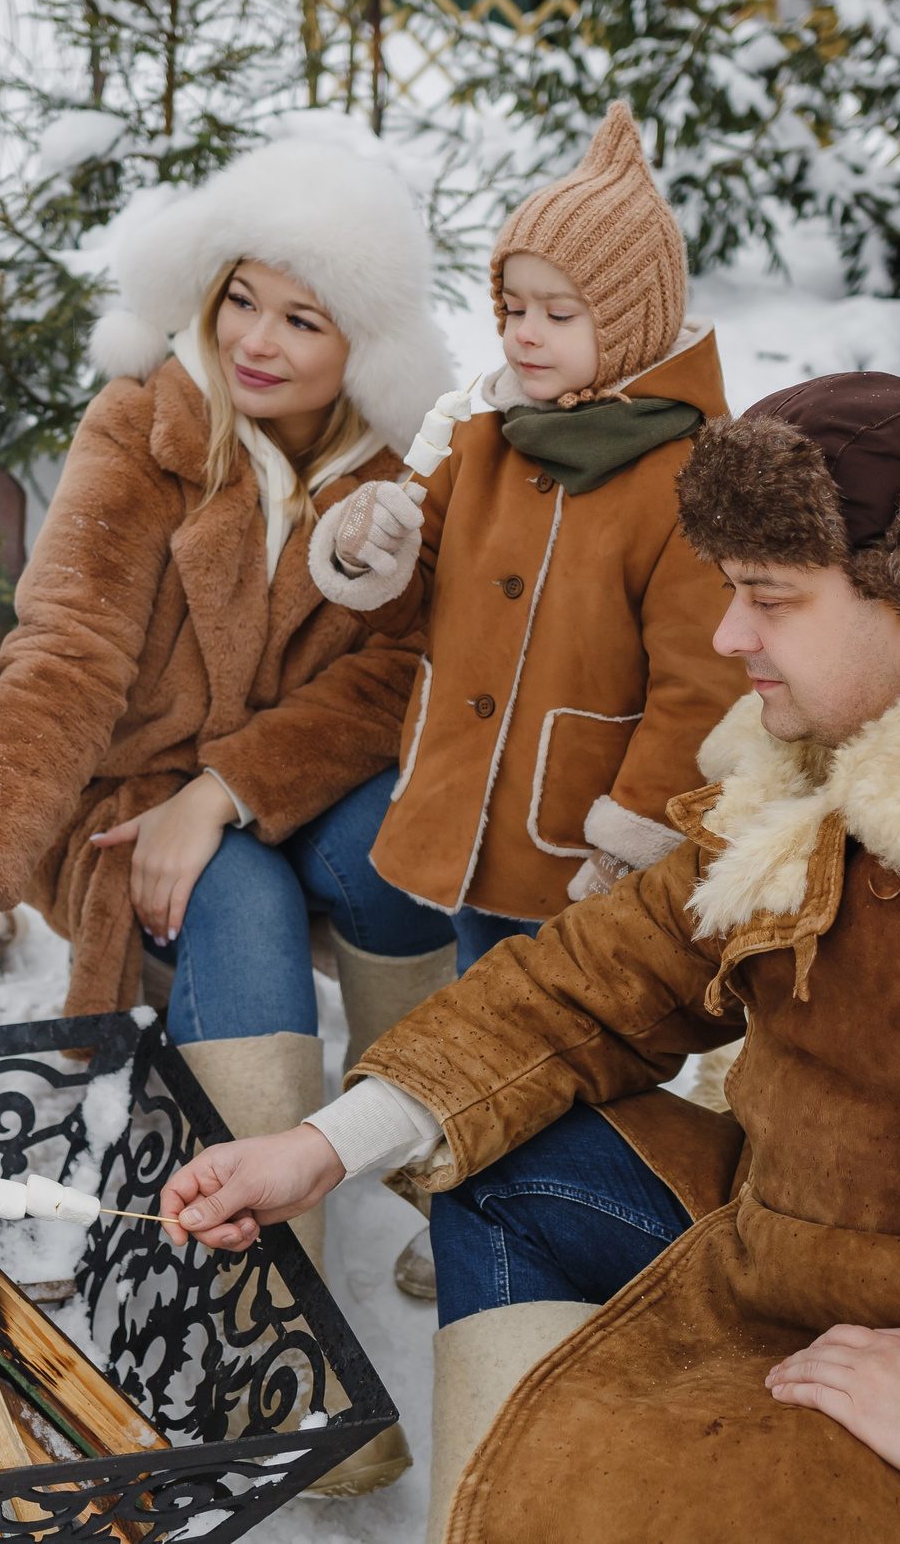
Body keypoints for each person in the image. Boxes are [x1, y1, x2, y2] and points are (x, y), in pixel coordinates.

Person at [157, 373, 900, 1543]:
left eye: (772, 596)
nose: (729, 632)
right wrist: (324, 1146)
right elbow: (598, 979)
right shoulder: (819, 761)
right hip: (821, 1248)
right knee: (504, 1163)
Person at [0, 137, 458, 1495]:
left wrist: (227, 786)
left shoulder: (403, 476)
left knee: (396, 842)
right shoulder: (148, 427)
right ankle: (283, 1330)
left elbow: (394, 676)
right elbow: (64, 653)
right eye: (242, 296)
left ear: (358, 338)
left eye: (304, 318)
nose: (256, 339)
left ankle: (425, 1123)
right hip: (130, 800)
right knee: (226, 896)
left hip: (276, 784)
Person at [308, 99, 748, 1296]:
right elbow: (415, 591)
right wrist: (370, 543)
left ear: (637, 318)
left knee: (569, 1041)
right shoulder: (489, 435)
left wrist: (634, 836)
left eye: (563, 312)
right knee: (480, 1003)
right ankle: (469, 1186)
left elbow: (703, 685)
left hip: (579, 834)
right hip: (470, 813)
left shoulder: (688, 473)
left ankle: (545, 1203)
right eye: (513, 308)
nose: (528, 333)